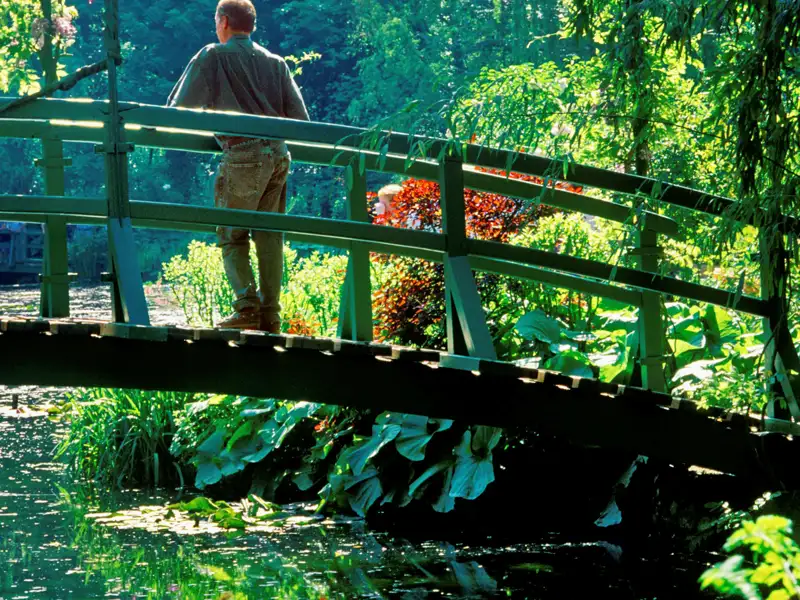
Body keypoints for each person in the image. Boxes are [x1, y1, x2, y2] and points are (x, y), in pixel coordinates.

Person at [167, 0, 310, 333]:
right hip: (279, 155)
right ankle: (271, 315)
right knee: (270, 236)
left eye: (216, 21)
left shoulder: (213, 56)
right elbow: (301, 120)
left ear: (224, 21)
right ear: (252, 25)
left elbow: (178, 111)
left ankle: (246, 308)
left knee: (231, 234)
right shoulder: (276, 63)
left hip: (243, 153)